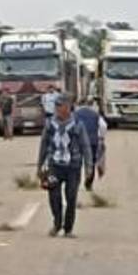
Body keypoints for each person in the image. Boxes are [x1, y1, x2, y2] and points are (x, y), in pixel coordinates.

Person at [36, 94, 92, 238]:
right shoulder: (50, 124)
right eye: (56, 106)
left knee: (71, 197)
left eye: (59, 106)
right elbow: (44, 144)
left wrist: (88, 167)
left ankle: (68, 228)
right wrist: (40, 165)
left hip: (73, 166)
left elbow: (85, 146)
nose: (57, 109)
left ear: (67, 107)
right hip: (54, 165)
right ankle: (57, 223)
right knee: (53, 196)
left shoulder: (77, 124)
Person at [73, 99, 106, 191]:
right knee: (91, 162)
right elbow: (103, 126)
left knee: (77, 163)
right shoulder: (95, 114)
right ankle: (89, 183)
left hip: (78, 142)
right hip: (92, 141)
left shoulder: (75, 114)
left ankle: (76, 182)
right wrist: (101, 137)